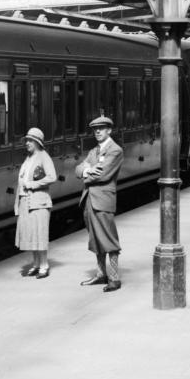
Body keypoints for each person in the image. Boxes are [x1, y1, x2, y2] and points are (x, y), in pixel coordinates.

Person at [75, 116, 124, 293]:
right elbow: (78, 169)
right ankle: (101, 273)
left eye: (102, 128)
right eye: (95, 129)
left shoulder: (115, 150)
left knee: (109, 239)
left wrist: (87, 171)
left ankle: (114, 278)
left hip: (103, 201)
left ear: (109, 130)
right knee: (95, 239)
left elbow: (103, 175)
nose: (97, 131)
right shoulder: (94, 151)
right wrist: (87, 169)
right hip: (89, 199)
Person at [14, 127, 57, 278]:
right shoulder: (28, 158)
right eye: (26, 140)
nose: (27, 143)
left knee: (40, 234)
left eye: (30, 141)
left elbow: (52, 177)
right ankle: (36, 264)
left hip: (39, 202)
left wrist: (32, 184)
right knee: (31, 234)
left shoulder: (43, 156)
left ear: (37, 142)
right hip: (26, 202)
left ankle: (44, 266)